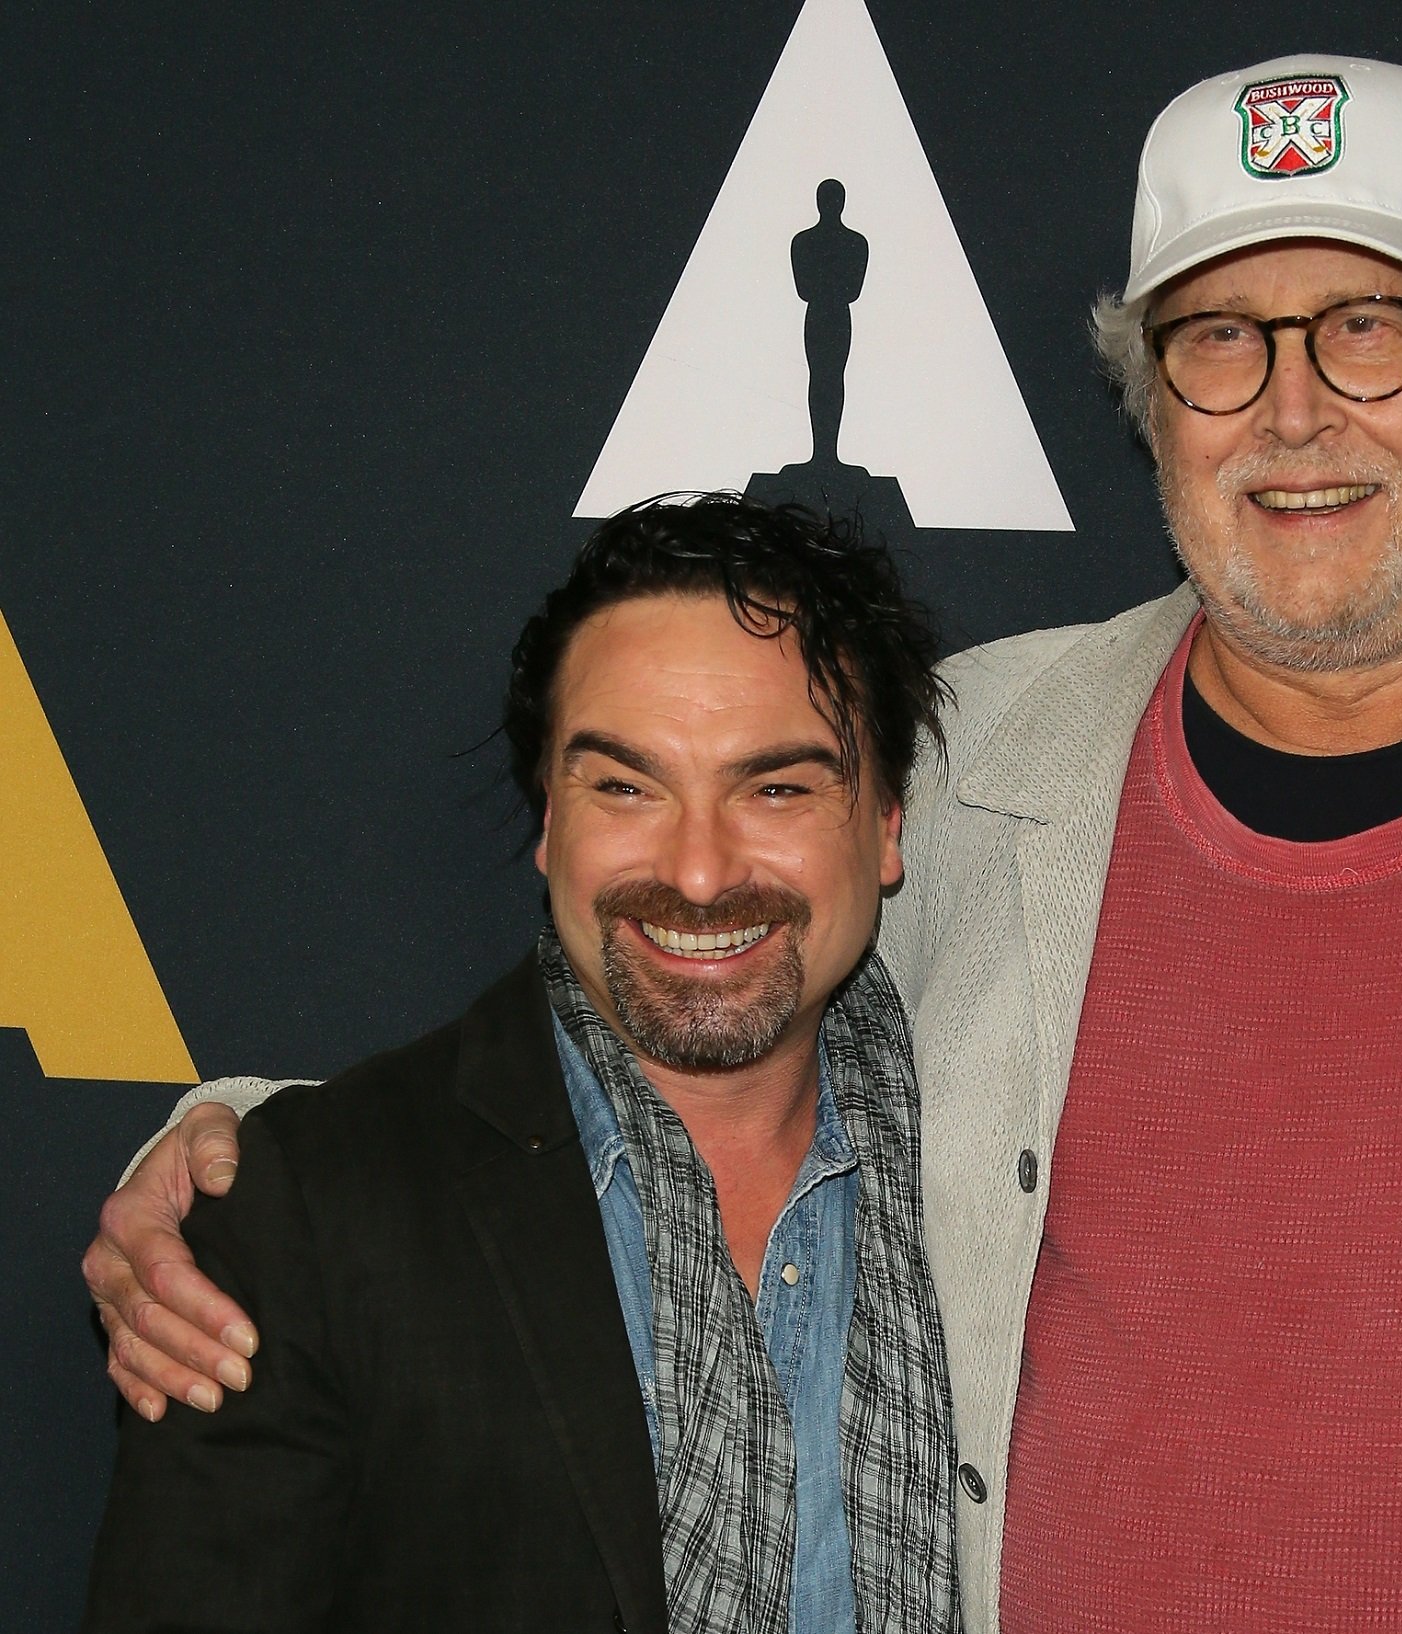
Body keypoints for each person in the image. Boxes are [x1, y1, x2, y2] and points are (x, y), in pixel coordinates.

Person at [86, 53, 1402, 1634]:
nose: (1293, 411)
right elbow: (677, 1033)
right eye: (1219, 344)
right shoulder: (973, 752)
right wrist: (252, 1145)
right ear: (1152, 418)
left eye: (1368, 328)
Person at [83, 494, 960, 1634]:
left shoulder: (1010, 1160)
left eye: (777, 787)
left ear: (886, 822)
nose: (698, 871)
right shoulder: (298, 1214)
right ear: (550, 820)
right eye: (625, 785)